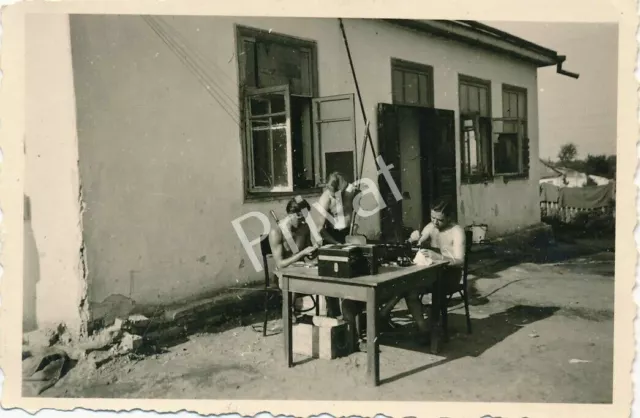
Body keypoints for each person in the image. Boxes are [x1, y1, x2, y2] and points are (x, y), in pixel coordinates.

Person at [396, 196, 467, 342]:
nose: (435, 222)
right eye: (432, 217)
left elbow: (460, 261)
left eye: (439, 219)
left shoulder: (457, 231)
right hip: (433, 273)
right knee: (409, 289)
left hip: (450, 275)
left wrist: (439, 257)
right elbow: (416, 243)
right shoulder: (431, 227)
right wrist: (412, 240)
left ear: (449, 217)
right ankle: (424, 329)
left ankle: (434, 332)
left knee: (435, 291)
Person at [269, 198, 340, 317]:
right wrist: (302, 254)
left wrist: (314, 251)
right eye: (300, 218)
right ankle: (289, 321)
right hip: (283, 274)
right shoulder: (276, 232)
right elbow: (280, 264)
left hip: (302, 270)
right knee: (292, 284)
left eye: (305, 218)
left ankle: (332, 319)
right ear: (291, 215)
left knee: (329, 277)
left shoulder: (304, 227)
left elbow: (308, 253)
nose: (304, 222)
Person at [316, 172, 359, 245]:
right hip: (333, 237)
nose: (337, 197)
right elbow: (320, 228)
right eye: (334, 195)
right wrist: (336, 243)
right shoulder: (325, 199)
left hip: (350, 234)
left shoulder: (350, 191)